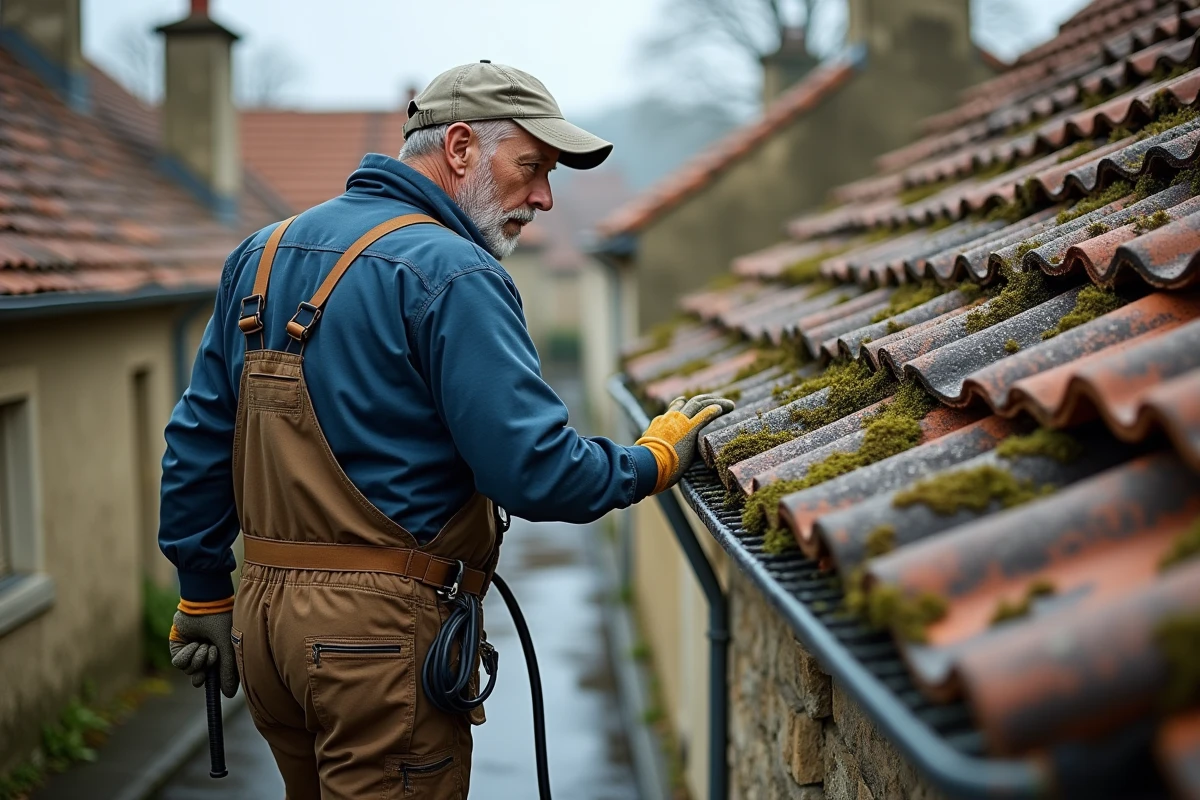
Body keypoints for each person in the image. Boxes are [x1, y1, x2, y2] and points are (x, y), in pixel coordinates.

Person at [158, 60, 734, 798]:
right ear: (460, 148)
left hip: (264, 627)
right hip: (377, 641)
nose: (546, 198)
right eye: (531, 167)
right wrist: (652, 460)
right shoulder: (455, 273)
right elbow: (535, 469)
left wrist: (203, 592)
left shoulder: (262, 253)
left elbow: (200, 434)